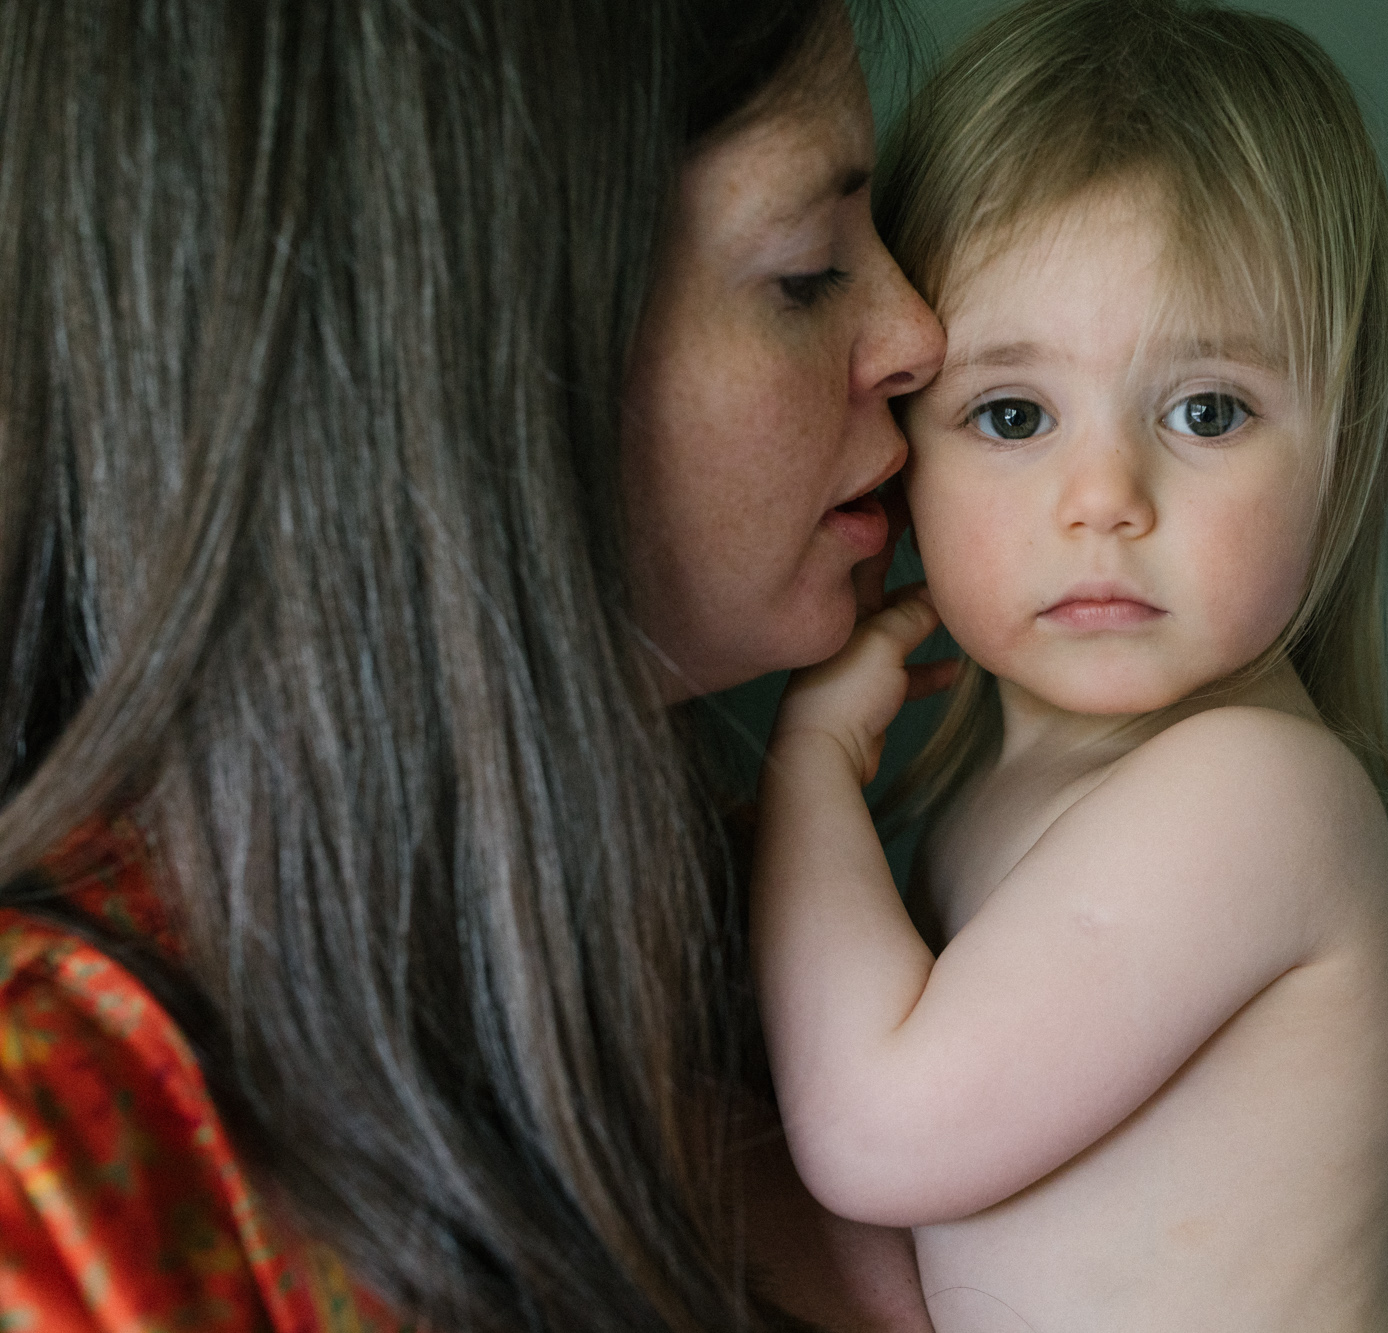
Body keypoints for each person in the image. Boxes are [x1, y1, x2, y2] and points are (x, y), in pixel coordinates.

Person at [0, 0, 943, 1330]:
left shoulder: (786, 941)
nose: (921, 333)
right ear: (444, 353)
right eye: (804, 269)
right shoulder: (57, 1159)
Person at [750, 0, 1388, 1327]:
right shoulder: (1002, 791)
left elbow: (879, 1130)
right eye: (1012, 414)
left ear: (1341, 445)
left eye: (1206, 410)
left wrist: (808, 770)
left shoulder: (1250, 793)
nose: (1105, 494)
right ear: (903, 449)